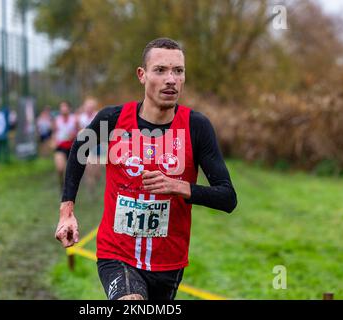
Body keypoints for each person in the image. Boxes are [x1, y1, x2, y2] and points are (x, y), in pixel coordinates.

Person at [55, 38, 237, 300]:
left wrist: (179, 186)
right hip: (116, 253)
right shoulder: (112, 119)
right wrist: (66, 211)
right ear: (142, 75)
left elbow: (228, 197)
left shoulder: (196, 127)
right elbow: (77, 153)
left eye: (178, 71)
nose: (171, 79)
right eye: (160, 70)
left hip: (169, 261)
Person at [52, 101, 77, 190]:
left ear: (69, 108)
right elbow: (54, 132)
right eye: (62, 107)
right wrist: (53, 141)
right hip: (61, 146)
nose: (63, 108)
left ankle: (71, 187)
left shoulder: (74, 119)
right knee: (60, 168)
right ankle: (61, 184)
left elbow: (80, 130)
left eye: (65, 106)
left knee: (72, 170)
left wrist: (75, 134)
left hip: (72, 146)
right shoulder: (57, 120)